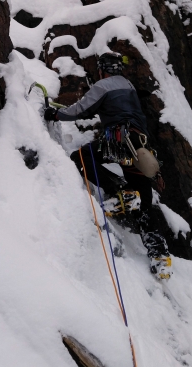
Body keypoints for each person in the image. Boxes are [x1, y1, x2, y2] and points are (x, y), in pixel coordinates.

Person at [44, 52, 171, 278]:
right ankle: (160, 256)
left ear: (102, 70)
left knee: (82, 158)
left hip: (119, 139)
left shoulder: (103, 85)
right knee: (144, 204)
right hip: (141, 146)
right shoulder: (128, 86)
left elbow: (81, 109)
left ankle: (121, 192)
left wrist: (55, 114)